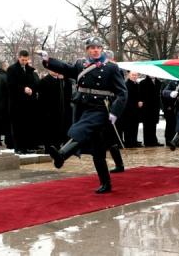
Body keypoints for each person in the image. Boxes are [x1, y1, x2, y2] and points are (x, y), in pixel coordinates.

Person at [38, 37, 128, 194]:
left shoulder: (111, 68)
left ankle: (61, 156)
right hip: (84, 108)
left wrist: (115, 111)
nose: (95, 50)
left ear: (102, 49)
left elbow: (122, 92)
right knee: (98, 150)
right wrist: (48, 60)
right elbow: (66, 68)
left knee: (80, 130)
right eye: (92, 47)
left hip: (101, 109)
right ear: (87, 50)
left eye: (98, 47)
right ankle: (106, 183)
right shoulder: (81, 64)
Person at [7, 50, 39, 154]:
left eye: (26, 60)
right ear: (19, 57)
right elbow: (11, 85)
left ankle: (27, 147)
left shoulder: (30, 69)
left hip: (28, 102)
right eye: (22, 59)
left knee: (28, 125)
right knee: (18, 126)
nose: (24, 62)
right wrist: (23, 89)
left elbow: (34, 83)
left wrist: (32, 90)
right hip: (17, 103)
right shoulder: (12, 69)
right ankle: (18, 148)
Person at [38, 70, 72, 150]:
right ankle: (49, 147)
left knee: (58, 129)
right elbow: (42, 97)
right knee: (49, 130)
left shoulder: (59, 80)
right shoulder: (44, 81)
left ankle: (56, 145)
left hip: (59, 110)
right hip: (48, 110)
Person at [119, 71, 142, 148]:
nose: (134, 76)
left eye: (136, 75)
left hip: (136, 109)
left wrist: (140, 101)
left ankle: (134, 141)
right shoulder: (126, 85)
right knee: (128, 127)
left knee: (135, 126)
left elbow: (139, 95)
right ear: (129, 76)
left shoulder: (138, 85)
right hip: (128, 110)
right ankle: (129, 142)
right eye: (133, 75)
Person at [139, 75, 162, 146]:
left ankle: (154, 140)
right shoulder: (143, 82)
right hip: (146, 106)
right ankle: (147, 142)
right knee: (147, 124)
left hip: (155, 106)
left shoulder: (159, 82)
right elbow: (140, 93)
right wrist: (140, 101)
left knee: (153, 124)